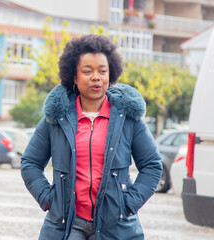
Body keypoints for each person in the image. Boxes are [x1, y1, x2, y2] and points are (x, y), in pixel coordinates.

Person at [21, 34, 162, 240]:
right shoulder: (56, 119)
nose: (96, 77)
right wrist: (49, 200)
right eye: (87, 71)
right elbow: (30, 163)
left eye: (102, 71)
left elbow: (152, 165)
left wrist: (129, 203)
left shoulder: (128, 119)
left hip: (115, 225)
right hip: (67, 225)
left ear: (110, 74)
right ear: (74, 78)